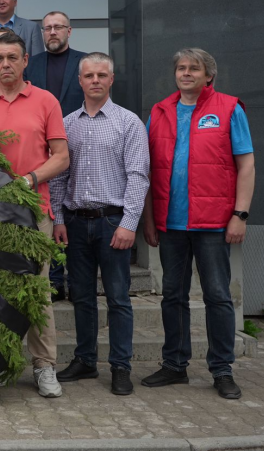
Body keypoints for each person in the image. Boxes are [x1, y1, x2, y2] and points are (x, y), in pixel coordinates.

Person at [141, 48, 254, 400]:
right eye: (181, 68)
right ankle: (175, 365)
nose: (186, 73)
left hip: (214, 224)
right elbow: (147, 170)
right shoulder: (160, 111)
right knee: (172, 296)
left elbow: (246, 166)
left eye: (194, 68)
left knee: (217, 296)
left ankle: (222, 369)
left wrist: (240, 215)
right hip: (171, 224)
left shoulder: (229, 108)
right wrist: (149, 219)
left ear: (209, 76)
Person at [0, 32, 69, 398]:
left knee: (35, 290)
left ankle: (44, 365)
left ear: (25, 61)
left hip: (33, 211)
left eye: (13, 57)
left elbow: (61, 157)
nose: (6, 64)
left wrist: (27, 180)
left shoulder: (45, 101)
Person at [51, 53, 149, 396]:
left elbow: (138, 176)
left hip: (112, 222)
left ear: (111, 79)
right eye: (89, 75)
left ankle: (121, 366)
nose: (95, 80)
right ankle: (85, 360)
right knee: (82, 296)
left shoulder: (129, 123)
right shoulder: (67, 124)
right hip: (76, 223)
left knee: (118, 298)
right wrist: (58, 218)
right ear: (80, 81)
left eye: (101, 75)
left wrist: (129, 223)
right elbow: (59, 177)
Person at [24, 11, 86, 299]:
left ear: (69, 31)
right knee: (50, 213)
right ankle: (53, 281)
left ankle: (77, 281)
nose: (52, 32)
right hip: (42, 151)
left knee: (73, 215)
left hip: (78, 146)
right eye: (47, 28)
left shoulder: (84, 63)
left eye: (58, 27)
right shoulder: (32, 64)